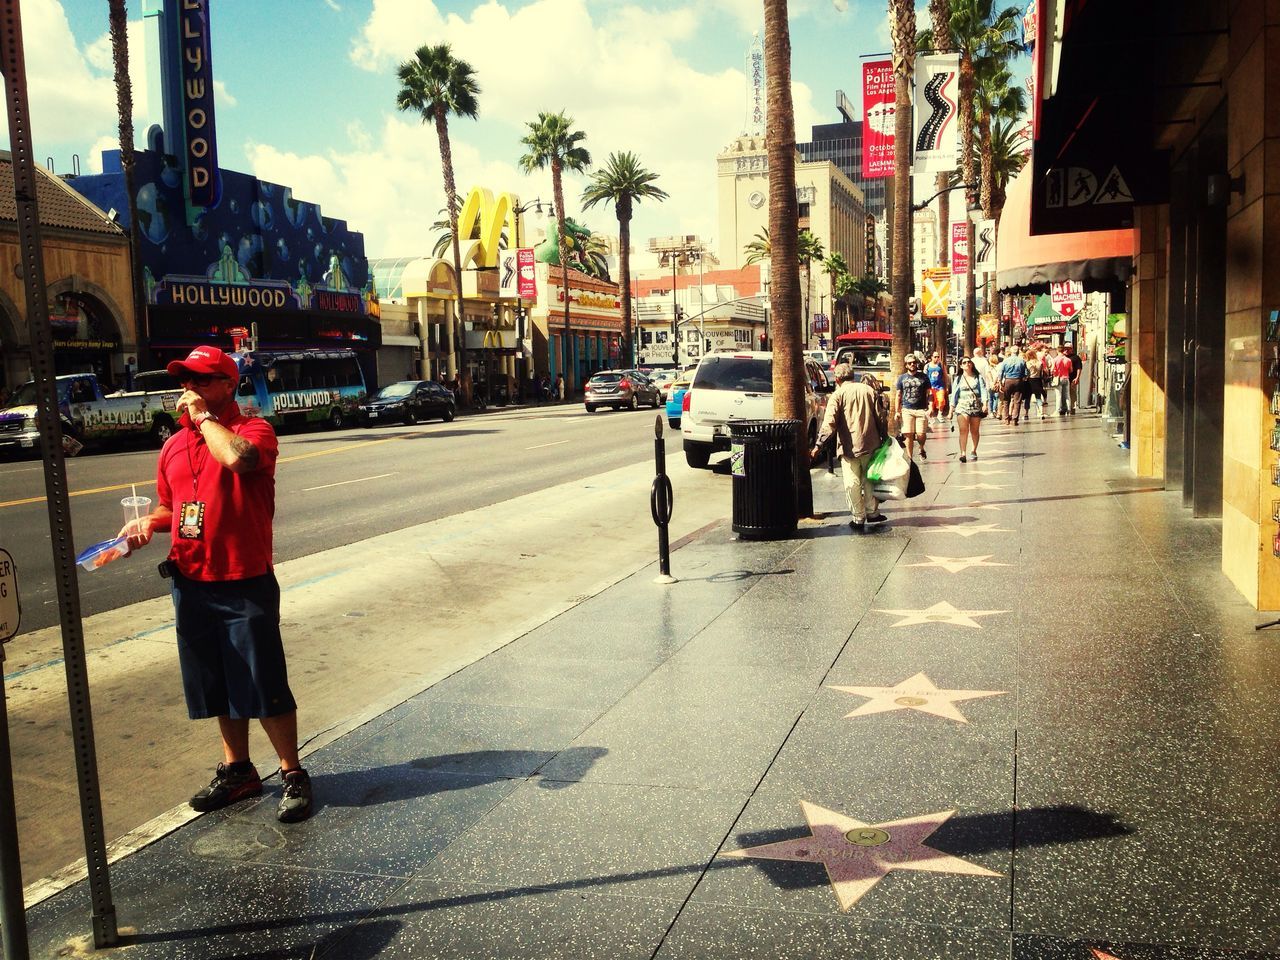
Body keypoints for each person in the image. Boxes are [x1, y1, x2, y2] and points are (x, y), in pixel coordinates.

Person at [119, 345, 312, 824]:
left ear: (229, 384)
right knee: (219, 683)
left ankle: (292, 773)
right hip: (191, 579)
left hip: (243, 579)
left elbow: (240, 460)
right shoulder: (171, 447)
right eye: (187, 381)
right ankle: (238, 771)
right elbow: (174, 508)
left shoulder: (253, 430)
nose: (191, 389)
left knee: (262, 681)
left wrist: (204, 420)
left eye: (203, 380)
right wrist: (146, 525)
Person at [811, 363, 887, 533]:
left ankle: (858, 517)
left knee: (852, 482)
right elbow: (881, 416)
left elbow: (829, 423)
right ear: (853, 375)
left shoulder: (837, 395)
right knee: (869, 479)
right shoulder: (869, 391)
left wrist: (818, 445)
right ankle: (873, 512)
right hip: (871, 443)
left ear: (837, 379)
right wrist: (884, 436)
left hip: (849, 447)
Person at [951, 356, 989, 462]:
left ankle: (973, 450)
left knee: (974, 431)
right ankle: (963, 453)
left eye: (969, 362)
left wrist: (985, 403)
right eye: (964, 362)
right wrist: (951, 408)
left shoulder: (978, 377)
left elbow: (983, 390)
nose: (967, 364)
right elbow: (954, 394)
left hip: (975, 406)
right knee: (963, 430)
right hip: (962, 406)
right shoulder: (958, 378)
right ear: (961, 365)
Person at [895, 354, 931, 460]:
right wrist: (897, 411)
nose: (912, 364)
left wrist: (931, 407)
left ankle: (921, 448)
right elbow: (898, 395)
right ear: (906, 365)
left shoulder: (924, 377)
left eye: (914, 362)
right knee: (908, 434)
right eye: (909, 363)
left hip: (921, 409)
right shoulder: (901, 378)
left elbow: (929, 393)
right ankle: (910, 458)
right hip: (907, 409)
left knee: (921, 435)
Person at [997, 345, 1028, 425]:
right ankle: (1015, 419)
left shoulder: (1006, 361)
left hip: (1008, 380)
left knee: (1006, 400)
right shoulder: (1022, 361)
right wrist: (1023, 378)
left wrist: (1000, 382)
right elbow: (1026, 373)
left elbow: (1000, 372)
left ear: (1011, 352)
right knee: (1017, 401)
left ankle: (1007, 419)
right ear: (1018, 352)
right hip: (1018, 380)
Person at [924, 350, 949, 426]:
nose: (937, 358)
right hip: (930, 387)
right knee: (931, 404)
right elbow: (924, 377)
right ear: (931, 357)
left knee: (941, 400)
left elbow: (945, 376)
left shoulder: (941, 365)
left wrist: (947, 386)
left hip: (940, 387)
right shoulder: (927, 366)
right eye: (935, 357)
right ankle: (930, 417)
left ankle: (940, 414)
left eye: (938, 356)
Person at [1023, 348, 1047, 420]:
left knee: (1027, 398)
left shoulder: (1027, 363)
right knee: (1038, 397)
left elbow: (1026, 374)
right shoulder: (1039, 363)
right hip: (1038, 380)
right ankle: (1041, 412)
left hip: (1029, 381)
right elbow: (1042, 373)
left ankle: (1026, 414)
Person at [1051, 346, 1073, 416]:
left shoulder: (1055, 360)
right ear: (1063, 351)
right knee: (1067, 395)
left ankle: (1057, 411)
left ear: (1057, 351)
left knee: (1058, 395)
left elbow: (1052, 370)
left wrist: (1054, 373)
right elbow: (1071, 370)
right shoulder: (1068, 360)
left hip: (1058, 378)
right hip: (1066, 378)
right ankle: (1069, 410)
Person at [1065, 343, 1083, 413]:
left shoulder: (1076, 357)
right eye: (1065, 348)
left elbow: (1079, 368)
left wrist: (1077, 377)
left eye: (1068, 349)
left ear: (1071, 349)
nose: (1066, 350)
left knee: (1072, 393)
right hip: (1064, 378)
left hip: (1072, 378)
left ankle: (1072, 408)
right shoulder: (1063, 357)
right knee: (1065, 394)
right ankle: (1065, 407)